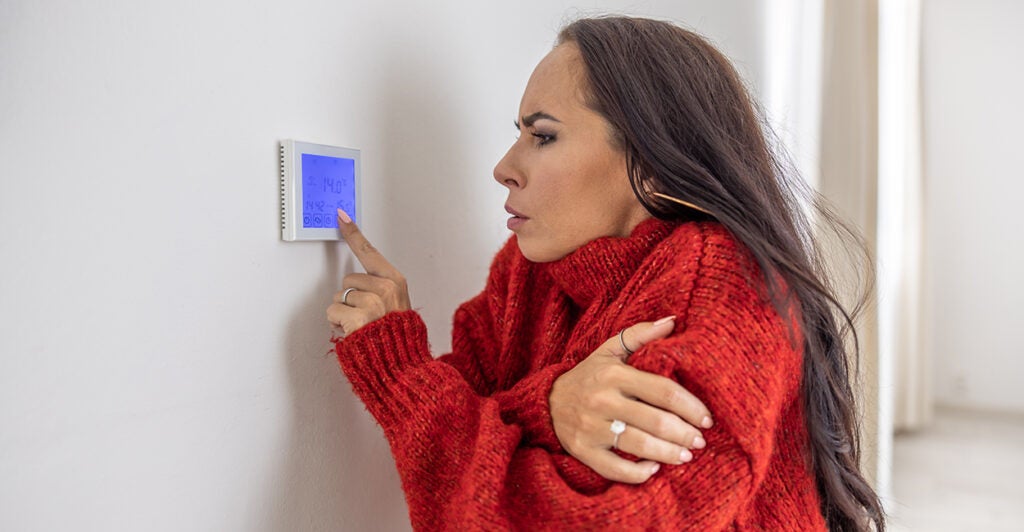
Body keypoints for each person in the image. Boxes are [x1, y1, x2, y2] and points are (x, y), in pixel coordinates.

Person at [326, 15, 885, 531]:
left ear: (651, 160)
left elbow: (576, 518)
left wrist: (403, 378)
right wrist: (550, 405)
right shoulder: (528, 269)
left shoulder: (724, 293)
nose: (503, 168)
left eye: (542, 136)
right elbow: (469, 405)